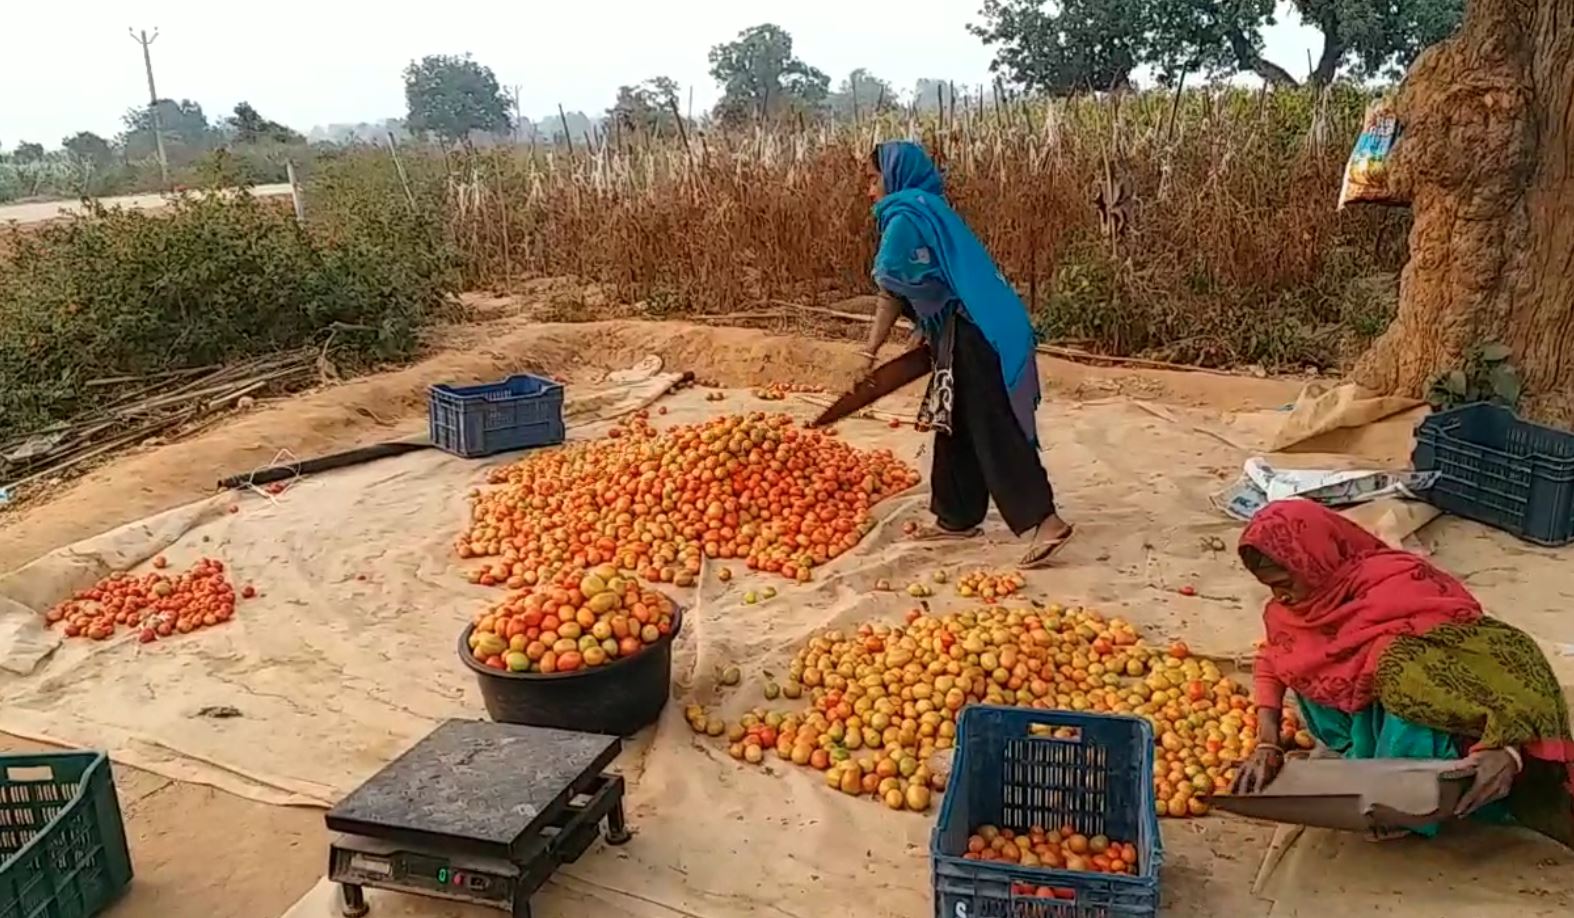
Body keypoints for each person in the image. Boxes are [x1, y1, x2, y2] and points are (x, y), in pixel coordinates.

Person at [1231, 499, 1574, 847]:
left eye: (1287, 582)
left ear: (1315, 561)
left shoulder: (1398, 584)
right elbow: (1272, 657)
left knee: (1397, 669)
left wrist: (1507, 748)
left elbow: (1504, 658)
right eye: (1271, 586)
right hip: (1367, 721)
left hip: (1438, 724)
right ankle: (1367, 758)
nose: (1281, 597)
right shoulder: (1295, 608)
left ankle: (1409, 799)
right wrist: (1267, 741)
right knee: (1303, 655)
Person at [856, 140, 1073, 568]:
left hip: (976, 333)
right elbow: (938, 283)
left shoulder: (905, 218)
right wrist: (927, 331)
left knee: (991, 424)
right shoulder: (933, 210)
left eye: (872, 178)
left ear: (893, 177)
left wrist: (868, 353)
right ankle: (956, 514)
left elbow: (891, 291)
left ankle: (1045, 522)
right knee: (955, 420)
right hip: (979, 323)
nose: (868, 190)